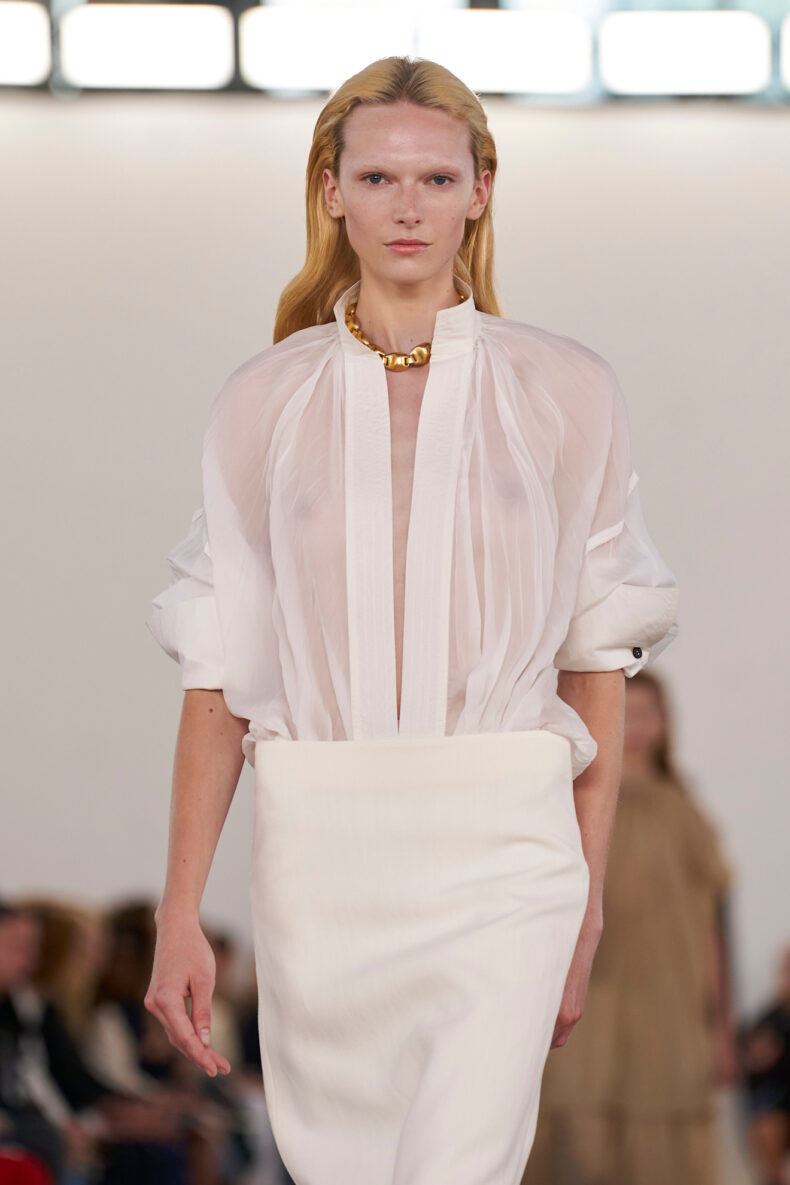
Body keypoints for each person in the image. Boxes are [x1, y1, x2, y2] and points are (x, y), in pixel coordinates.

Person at [143, 55, 680, 1185]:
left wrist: (584, 908)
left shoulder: (565, 389)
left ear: (481, 190)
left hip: (505, 848)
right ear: (330, 190)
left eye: (437, 179)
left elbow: (595, 665)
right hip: (320, 851)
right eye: (378, 177)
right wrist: (178, 912)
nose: (407, 207)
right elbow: (218, 674)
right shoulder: (262, 401)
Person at [521, 670, 737, 1185]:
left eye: (645, 714)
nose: (634, 727)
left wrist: (721, 1026)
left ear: (665, 723)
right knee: (576, 1134)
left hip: (668, 1007)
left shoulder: (684, 812)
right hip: (587, 1001)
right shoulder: (569, 806)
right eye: (626, 714)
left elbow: (710, 930)